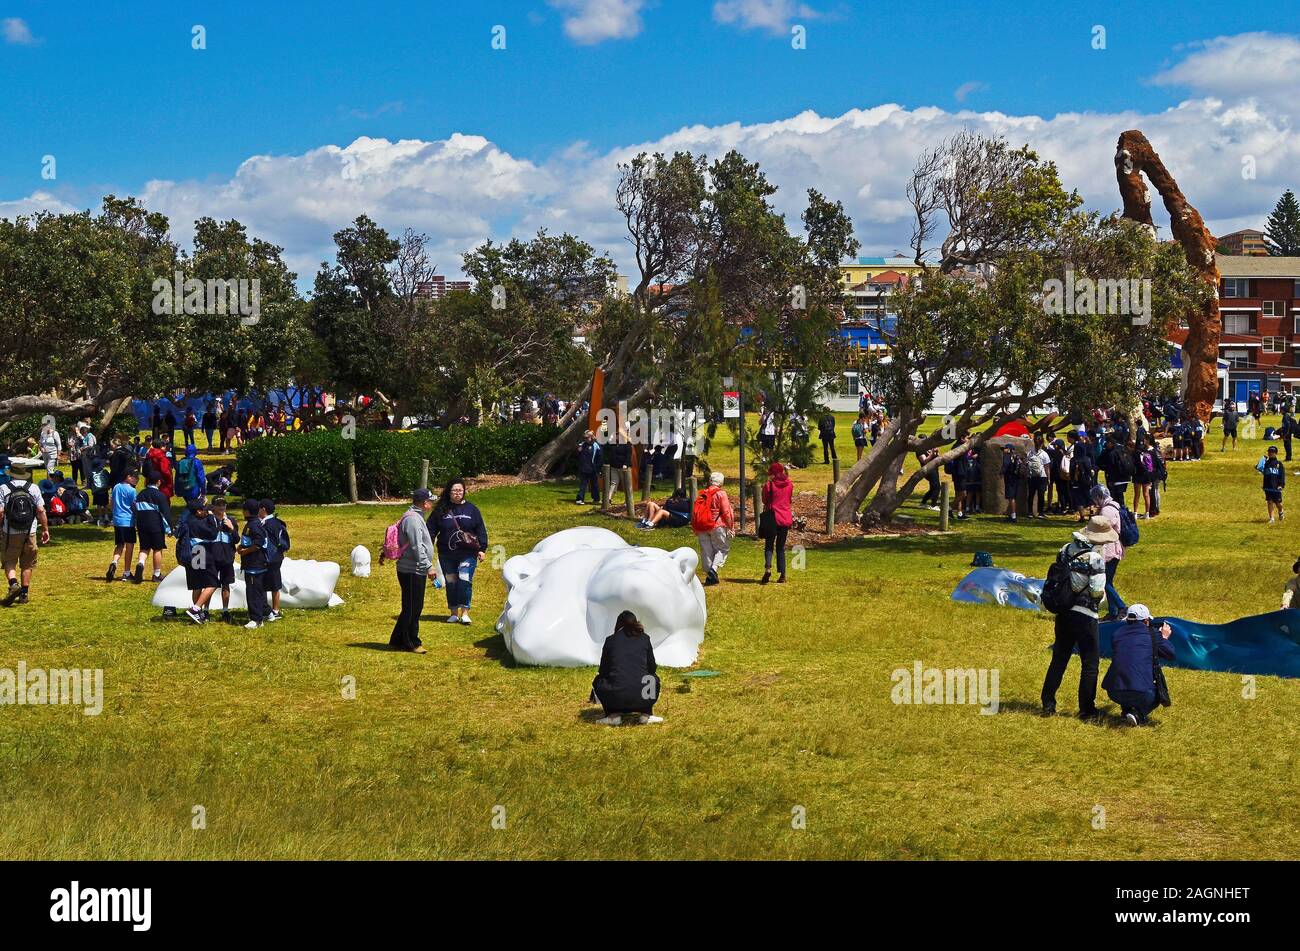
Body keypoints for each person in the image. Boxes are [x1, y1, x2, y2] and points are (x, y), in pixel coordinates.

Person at [1041, 515, 1112, 719]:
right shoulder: (1095, 559)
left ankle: (1048, 702)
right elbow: (1097, 591)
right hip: (1085, 615)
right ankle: (1087, 708)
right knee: (1090, 662)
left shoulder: (1065, 550)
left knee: (1059, 658)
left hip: (1063, 612)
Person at [1102, 604, 1174, 726]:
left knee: (1128, 678)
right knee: (1158, 694)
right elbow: (1170, 654)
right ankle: (1138, 715)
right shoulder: (1153, 634)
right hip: (1142, 693)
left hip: (1113, 691)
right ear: (1146, 621)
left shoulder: (1117, 634)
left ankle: (1127, 711)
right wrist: (1164, 638)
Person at [429, 478, 488, 625]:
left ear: (464, 492)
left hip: (468, 553)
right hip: (446, 554)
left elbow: (480, 529)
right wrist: (428, 546)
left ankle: (465, 612)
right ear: (449, 492)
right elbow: (430, 530)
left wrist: (482, 549)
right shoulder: (441, 510)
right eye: (454, 490)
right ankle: (454, 612)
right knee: (451, 582)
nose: (457, 493)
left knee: (464, 579)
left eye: (460, 490)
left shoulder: (472, 509)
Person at [589, 610, 662, 725]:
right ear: (636, 623)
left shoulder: (610, 640)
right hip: (642, 698)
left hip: (616, 699)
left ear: (618, 624)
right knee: (653, 678)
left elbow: (603, 671)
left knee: (599, 680)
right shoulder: (645, 639)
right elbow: (652, 667)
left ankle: (613, 715)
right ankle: (646, 714)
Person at [391, 488, 438, 653]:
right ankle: (411, 642)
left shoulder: (415, 516)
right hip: (412, 569)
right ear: (425, 503)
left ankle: (396, 639)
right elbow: (417, 546)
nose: (432, 504)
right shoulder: (413, 520)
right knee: (413, 608)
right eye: (431, 501)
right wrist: (428, 566)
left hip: (415, 569)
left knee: (411, 606)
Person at [0, 466, 50, 607]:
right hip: (30, 531)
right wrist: (45, 529)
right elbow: (41, 510)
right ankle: (24, 593)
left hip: (10, 532)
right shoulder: (33, 488)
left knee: (9, 560)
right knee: (27, 563)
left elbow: (1, 512)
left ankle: (13, 584)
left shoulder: (3, 488)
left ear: (12, 474)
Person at [1090, 484, 1127, 621]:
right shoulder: (1113, 506)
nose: (1094, 501)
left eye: (1095, 498)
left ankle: (1122, 607)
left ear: (1099, 497)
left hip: (1110, 550)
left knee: (1105, 582)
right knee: (1108, 582)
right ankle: (1113, 612)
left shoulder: (1107, 510)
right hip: (1113, 548)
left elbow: (1101, 529)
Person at [179, 499, 220, 624]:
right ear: (198, 511)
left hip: (192, 553)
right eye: (204, 509)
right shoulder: (199, 523)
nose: (207, 512)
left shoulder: (188, 520)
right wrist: (213, 518)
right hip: (201, 552)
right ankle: (195, 609)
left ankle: (198, 613)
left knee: (197, 585)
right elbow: (213, 533)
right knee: (212, 583)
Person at [692, 471, 734, 586]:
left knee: (706, 551)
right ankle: (713, 570)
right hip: (717, 525)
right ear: (721, 482)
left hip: (702, 526)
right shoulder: (721, 493)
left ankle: (709, 576)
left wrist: (695, 527)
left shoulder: (702, 493)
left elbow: (695, 511)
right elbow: (726, 511)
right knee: (722, 548)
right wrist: (731, 526)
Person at [131, 471, 172, 583]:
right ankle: (156, 574)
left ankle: (141, 563)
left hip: (142, 524)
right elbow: (165, 514)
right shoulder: (160, 496)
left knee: (144, 548)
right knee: (157, 549)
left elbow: (134, 508)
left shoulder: (140, 494)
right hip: (155, 525)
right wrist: (169, 529)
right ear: (158, 482)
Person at [237, 499, 270, 629]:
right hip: (255, 564)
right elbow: (250, 541)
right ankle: (264, 613)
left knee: (253, 592)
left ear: (246, 511)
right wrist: (241, 547)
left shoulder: (253, 525)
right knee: (258, 590)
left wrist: (245, 552)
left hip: (254, 565)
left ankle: (255, 619)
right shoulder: (253, 523)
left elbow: (259, 542)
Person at [760, 461, 793, 584]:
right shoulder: (790, 484)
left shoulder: (769, 485)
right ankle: (783, 574)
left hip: (772, 517)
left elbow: (764, 500)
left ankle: (768, 568)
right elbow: (789, 499)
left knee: (769, 545)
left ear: (773, 473)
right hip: (785, 518)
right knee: (781, 547)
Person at [260, 499, 290, 622]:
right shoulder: (278, 522)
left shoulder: (265, 524)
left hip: (268, 557)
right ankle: (275, 610)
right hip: (278, 557)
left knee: (261, 584)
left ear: (263, 509)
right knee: (275, 584)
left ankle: (266, 610)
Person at [210, 497, 239, 624]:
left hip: (227, 558)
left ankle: (225, 610)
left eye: (224, 504)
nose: (222, 507)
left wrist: (232, 528)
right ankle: (205, 610)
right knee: (209, 585)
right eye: (218, 504)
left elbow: (237, 539)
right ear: (213, 506)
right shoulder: (209, 520)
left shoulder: (231, 520)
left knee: (225, 584)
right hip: (212, 557)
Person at [106, 469, 138, 581]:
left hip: (117, 520)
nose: (136, 479)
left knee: (119, 544)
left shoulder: (116, 487)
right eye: (134, 477)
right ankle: (127, 572)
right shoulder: (132, 490)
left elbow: (112, 503)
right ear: (128, 477)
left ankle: (114, 562)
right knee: (129, 546)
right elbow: (134, 506)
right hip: (128, 521)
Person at [1257, 445, 1286, 524]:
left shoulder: (1279, 464)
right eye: (1269, 452)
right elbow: (1261, 470)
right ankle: (1272, 518)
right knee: (1269, 502)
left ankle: (1281, 512)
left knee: (1278, 503)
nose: (1270, 453)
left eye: (1272, 452)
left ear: (1276, 453)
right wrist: (1262, 459)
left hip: (1276, 487)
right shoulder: (1266, 463)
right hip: (1268, 487)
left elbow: (1282, 476)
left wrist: (1281, 485)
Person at [575, 430, 602, 505]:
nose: (585, 439)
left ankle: (596, 499)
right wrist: (578, 451)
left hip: (593, 469)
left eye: (587, 438)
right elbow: (578, 455)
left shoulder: (596, 445)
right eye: (585, 438)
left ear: (591, 437)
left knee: (595, 485)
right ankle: (579, 499)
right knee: (583, 484)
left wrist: (598, 469)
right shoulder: (582, 444)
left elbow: (599, 458)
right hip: (584, 468)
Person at [1027, 435, 1050, 519]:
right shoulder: (1044, 454)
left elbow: (1027, 463)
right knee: (1041, 495)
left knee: (1031, 494)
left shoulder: (1030, 453)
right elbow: (1047, 468)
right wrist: (1048, 478)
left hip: (1031, 476)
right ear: (1042, 443)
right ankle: (1040, 512)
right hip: (1042, 476)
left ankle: (1030, 512)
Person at [1000, 444, 1024, 522]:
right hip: (1015, 479)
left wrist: (1001, 472)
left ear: (1009, 449)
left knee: (1011, 497)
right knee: (1012, 497)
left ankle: (1013, 516)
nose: (1003, 450)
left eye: (1005, 448)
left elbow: (1005, 466)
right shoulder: (1015, 456)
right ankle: (1011, 514)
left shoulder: (1007, 456)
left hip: (1010, 479)